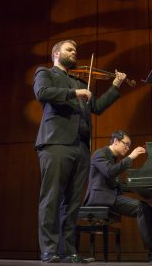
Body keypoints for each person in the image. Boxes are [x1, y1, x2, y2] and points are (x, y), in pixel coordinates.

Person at [33, 40, 126, 263]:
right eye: (69, 49)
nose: (74, 53)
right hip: (56, 143)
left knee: (73, 201)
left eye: (75, 50)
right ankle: (49, 249)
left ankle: (68, 250)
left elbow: (97, 108)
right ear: (56, 53)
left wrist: (115, 86)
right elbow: (43, 93)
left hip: (81, 146)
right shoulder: (45, 73)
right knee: (52, 197)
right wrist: (75, 93)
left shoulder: (79, 81)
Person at [84, 130, 152, 262]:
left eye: (129, 146)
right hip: (100, 197)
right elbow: (109, 172)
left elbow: (118, 184)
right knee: (142, 208)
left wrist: (143, 187)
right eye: (126, 144)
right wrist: (131, 157)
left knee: (147, 208)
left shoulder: (112, 159)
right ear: (116, 141)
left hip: (109, 196)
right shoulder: (100, 153)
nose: (128, 148)